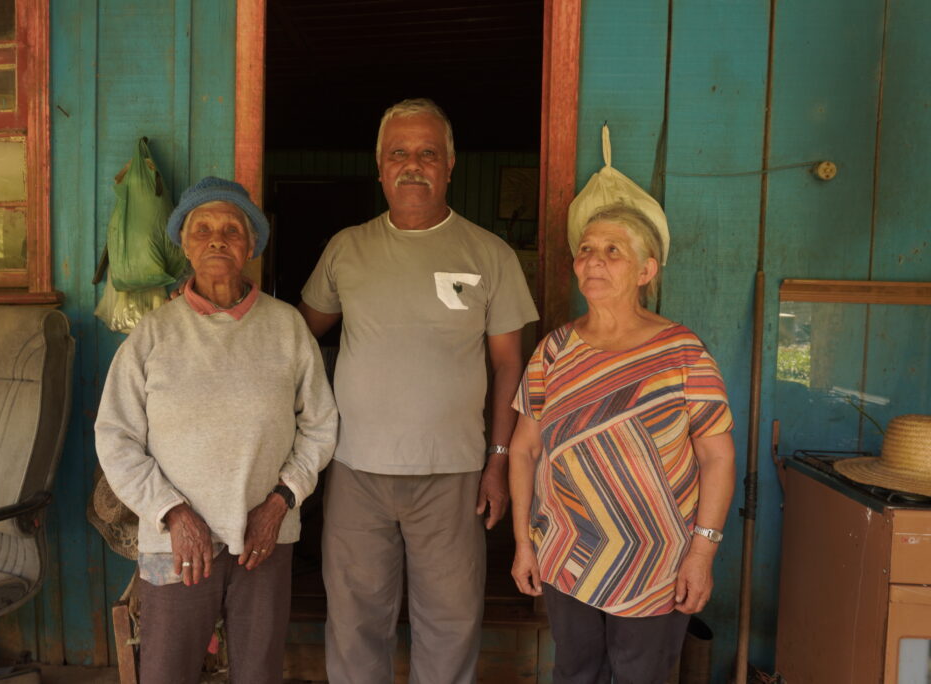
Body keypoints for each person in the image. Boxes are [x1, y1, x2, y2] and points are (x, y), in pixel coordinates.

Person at [298, 98, 539, 684]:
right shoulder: (345, 248)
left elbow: (512, 366)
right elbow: (294, 338)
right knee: (355, 622)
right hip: (356, 469)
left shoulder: (490, 254)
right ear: (379, 167)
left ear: (450, 164)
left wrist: (498, 461)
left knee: (451, 623)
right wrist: (225, 311)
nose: (413, 165)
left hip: (454, 475)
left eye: (427, 153)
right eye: (398, 153)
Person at [95, 177, 338, 684]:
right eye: (201, 229)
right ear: (184, 245)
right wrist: (172, 512)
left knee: (258, 672)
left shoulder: (287, 327)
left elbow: (320, 426)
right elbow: (115, 437)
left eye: (232, 229)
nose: (217, 239)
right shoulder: (154, 334)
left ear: (251, 245)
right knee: (166, 672)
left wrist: (279, 503)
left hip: (264, 541)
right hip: (175, 543)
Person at [508, 203, 736, 684]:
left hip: (658, 558)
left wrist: (703, 553)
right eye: (586, 250)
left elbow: (717, 457)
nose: (594, 260)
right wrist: (523, 544)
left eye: (613, 251)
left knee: (643, 676)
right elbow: (525, 450)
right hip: (568, 551)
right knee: (574, 671)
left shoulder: (683, 353)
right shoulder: (553, 350)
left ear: (645, 270)